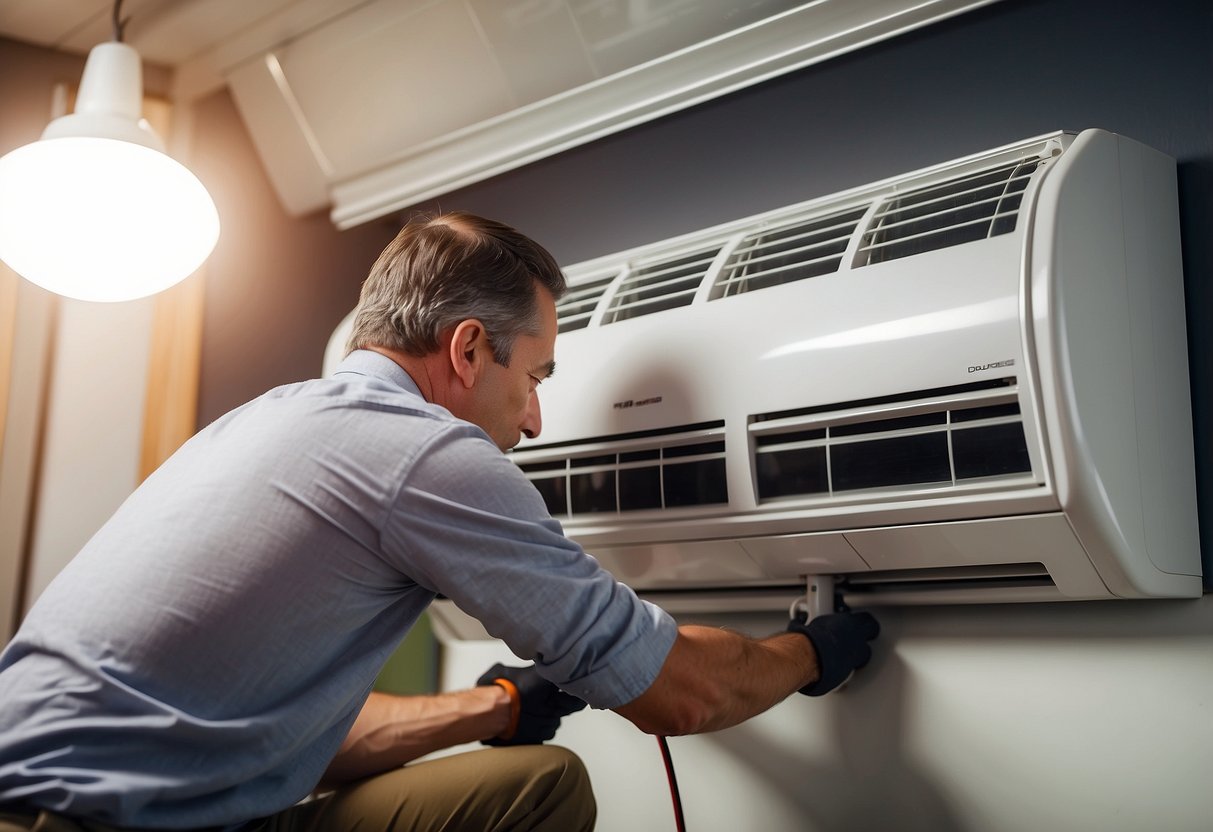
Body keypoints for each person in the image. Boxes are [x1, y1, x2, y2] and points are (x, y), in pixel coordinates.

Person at [0, 212, 879, 832]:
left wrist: (496, 707)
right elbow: (683, 695)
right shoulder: (423, 450)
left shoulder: (266, 417)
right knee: (547, 792)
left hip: (95, 801)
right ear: (466, 350)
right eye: (536, 375)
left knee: (528, 784)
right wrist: (813, 651)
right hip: (81, 824)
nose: (533, 420)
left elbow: (280, 738)